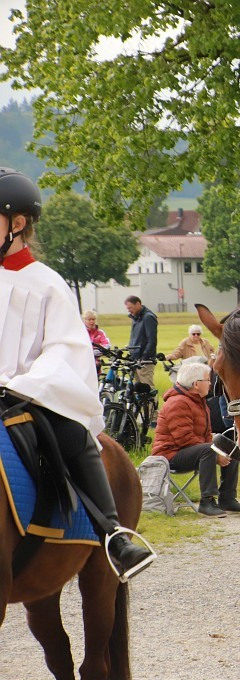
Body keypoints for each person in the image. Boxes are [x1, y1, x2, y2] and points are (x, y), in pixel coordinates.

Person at [0, 167, 154, 580]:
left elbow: (65, 350)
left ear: (17, 224)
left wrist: (21, 386)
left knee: (73, 436)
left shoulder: (49, 285)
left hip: (30, 395)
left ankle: (113, 534)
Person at [152, 362, 240, 516]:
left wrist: (218, 450)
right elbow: (184, 439)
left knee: (226, 445)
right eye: (208, 380)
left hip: (188, 450)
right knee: (209, 450)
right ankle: (207, 501)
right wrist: (215, 455)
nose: (210, 383)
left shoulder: (198, 401)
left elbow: (206, 435)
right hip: (169, 455)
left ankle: (227, 498)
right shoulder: (178, 403)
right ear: (196, 384)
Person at [124, 295, 158, 387]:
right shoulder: (135, 317)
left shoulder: (148, 317)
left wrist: (144, 358)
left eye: (130, 307)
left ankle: (151, 402)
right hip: (135, 359)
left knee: (147, 386)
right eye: (127, 308)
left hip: (145, 361)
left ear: (138, 304)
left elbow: (152, 340)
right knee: (138, 387)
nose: (129, 310)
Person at [83, 309, 110, 373]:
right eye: (89, 319)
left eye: (93, 319)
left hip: (95, 360)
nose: (92, 321)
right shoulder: (81, 332)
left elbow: (106, 345)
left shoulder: (100, 333)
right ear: (84, 321)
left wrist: (96, 352)